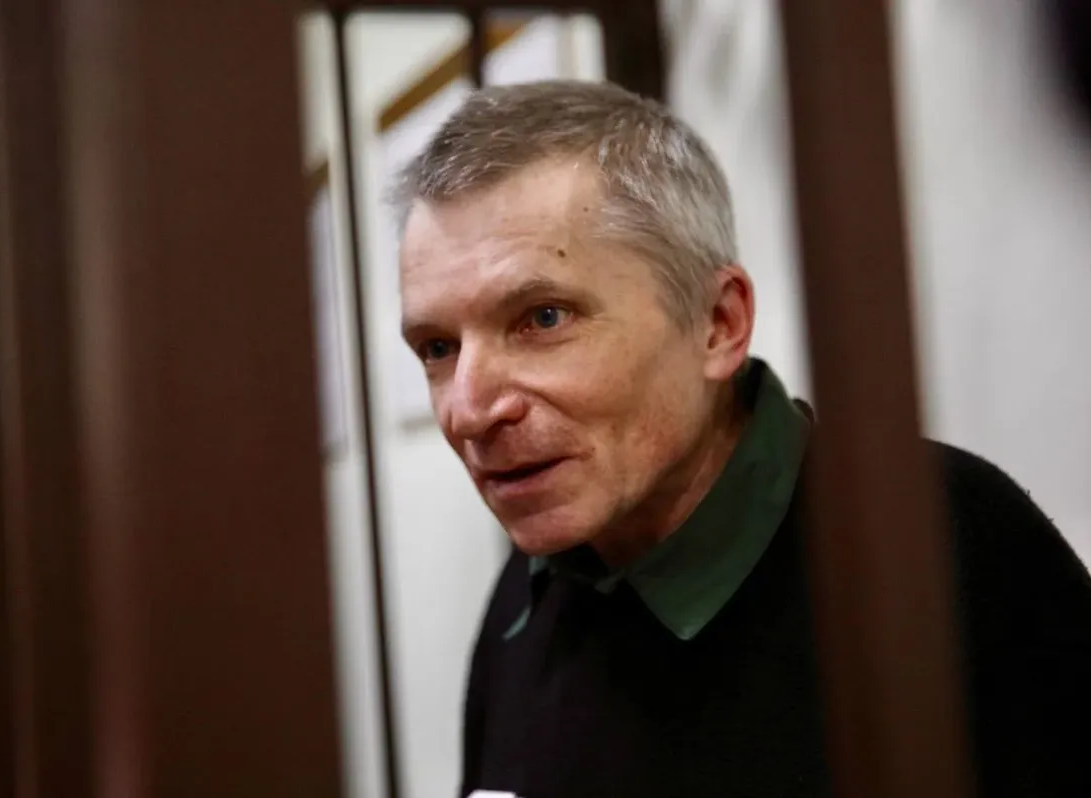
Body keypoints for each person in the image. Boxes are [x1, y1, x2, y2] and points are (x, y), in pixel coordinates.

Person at [391, 80, 1091, 798]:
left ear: (718, 324)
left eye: (543, 318)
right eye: (438, 347)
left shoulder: (941, 544)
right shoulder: (530, 592)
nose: (468, 411)